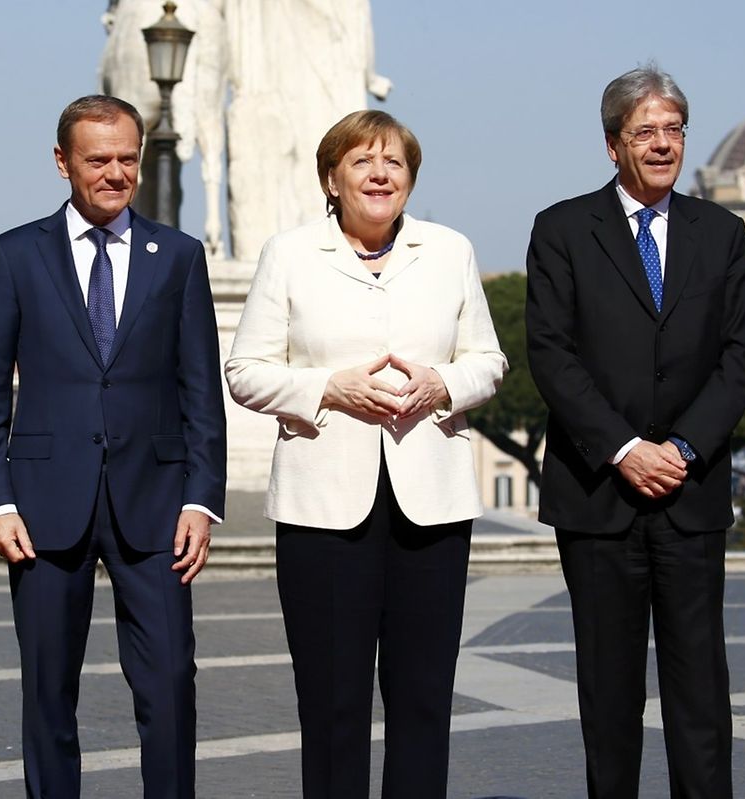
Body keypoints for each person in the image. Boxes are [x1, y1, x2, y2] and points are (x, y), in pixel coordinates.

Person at [225, 109, 506, 799]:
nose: (380, 173)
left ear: (410, 179)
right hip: (323, 508)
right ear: (332, 177)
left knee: (422, 701)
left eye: (395, 163)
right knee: (331, 704)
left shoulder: (450, 251)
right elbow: (246, 371)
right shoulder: (289, 255)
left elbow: (489, 361)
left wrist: (443, 383)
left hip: (432, 505)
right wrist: (329, 387)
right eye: (362, 161)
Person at [0, 94, 227, 799]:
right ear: (62, 162)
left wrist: (202, 498)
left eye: (127, 158)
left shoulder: (177, 257)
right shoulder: (13, 255)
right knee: (48, 691)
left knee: (172, 683)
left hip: (158, 503)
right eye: (98, 159)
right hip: (44, 508)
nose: (115, 173)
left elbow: (201, 386)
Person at [525, 65, 745, 798]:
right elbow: (551, 354)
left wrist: (683, 448)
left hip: (690, 496)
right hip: (599, 496)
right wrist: (626, 448)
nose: (663, 144)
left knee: (700, 689)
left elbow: (740, 353)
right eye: (645, 131)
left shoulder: (723, 233)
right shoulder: (562, 230)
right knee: (609, 689)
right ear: (611, 145)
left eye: (673, 130)